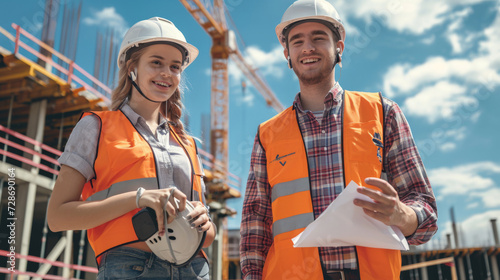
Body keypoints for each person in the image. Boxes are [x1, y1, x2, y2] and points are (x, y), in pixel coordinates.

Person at [239, 1, 438, 279]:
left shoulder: (382, 112)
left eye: (318, 37)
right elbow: (255, 225)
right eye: (297, 41)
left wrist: (402, 215)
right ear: (287, 53)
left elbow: (426, 215)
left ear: (339, 47)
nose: (307, 47)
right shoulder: (268, 135)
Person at [47, 17, 215, 280]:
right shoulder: (96, 126)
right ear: (131, 68)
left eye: (175, 66)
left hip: (195, 269)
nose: (167, 73)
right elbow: (57, 217)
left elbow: (208, 234)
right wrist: (138, 198)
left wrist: (206, 223)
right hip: (131, 267)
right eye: (156, 62)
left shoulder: (187, 143)